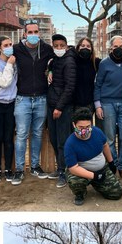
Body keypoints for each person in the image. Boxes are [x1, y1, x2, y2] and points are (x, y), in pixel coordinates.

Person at [9, 19, 54, 185]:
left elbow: (63, 55)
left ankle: (35, 166)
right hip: (22, 99)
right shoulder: (16, 49)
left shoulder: (47, 49)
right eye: (30, 32)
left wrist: (50, 70)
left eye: (36, 32)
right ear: (24, 34)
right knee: (21, 134)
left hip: (42, 98)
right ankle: (20, 169)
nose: (33, 35)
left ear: (39, 34)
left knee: (37, 133)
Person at [64, 107, 122, 206]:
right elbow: (73, 168)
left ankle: (97, 184)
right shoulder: (70, 144)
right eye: (81, 127)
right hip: (81, 171)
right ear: (74, 125)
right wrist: (94, 176)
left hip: (101, 169)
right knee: (75, 182)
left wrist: (111, 162)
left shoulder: (97, 132)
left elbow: (105, 145)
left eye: (88, 126)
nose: (85, 130)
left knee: (117, 193)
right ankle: (80, 193)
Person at [94, 36, 122, 181]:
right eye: (115, 46)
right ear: (110, 48)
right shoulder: (104, 64)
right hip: (107, 103)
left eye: (121, 46)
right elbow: (97, 85)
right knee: (109, 138)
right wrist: (98, 105)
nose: (118, 49)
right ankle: (113, 166)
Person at [46, 34, 77, 188]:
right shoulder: (54, 60)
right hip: (51, 105)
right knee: (53, 138)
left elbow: (70, 87)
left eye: (61, 46)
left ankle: (63, 172)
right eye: (56, 46)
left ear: (66, 46)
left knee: (63, 141)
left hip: (62, 108)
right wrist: (49, 70)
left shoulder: (69, 61)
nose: (59, 48)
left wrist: (59, 107)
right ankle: (60, 169)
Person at [0, 36, 17, 184]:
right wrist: (9, 65)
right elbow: (4, 82)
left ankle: (8, 170)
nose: (9, 47)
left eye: (11, 44)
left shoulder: (15, 61)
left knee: (8, 138)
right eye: (5, 45)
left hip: (11, 103)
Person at [72, 37, 101, 114]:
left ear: (91, 49)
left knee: (88, 126)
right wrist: (50, 71)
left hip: (89, 103)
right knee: (74, 125)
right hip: (74, 102)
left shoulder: (96, 62)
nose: (85, 48)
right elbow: (56, 62)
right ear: (78, 48)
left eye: (88, 46)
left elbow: (110, 62)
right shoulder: (72, 61)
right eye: (83, 45)